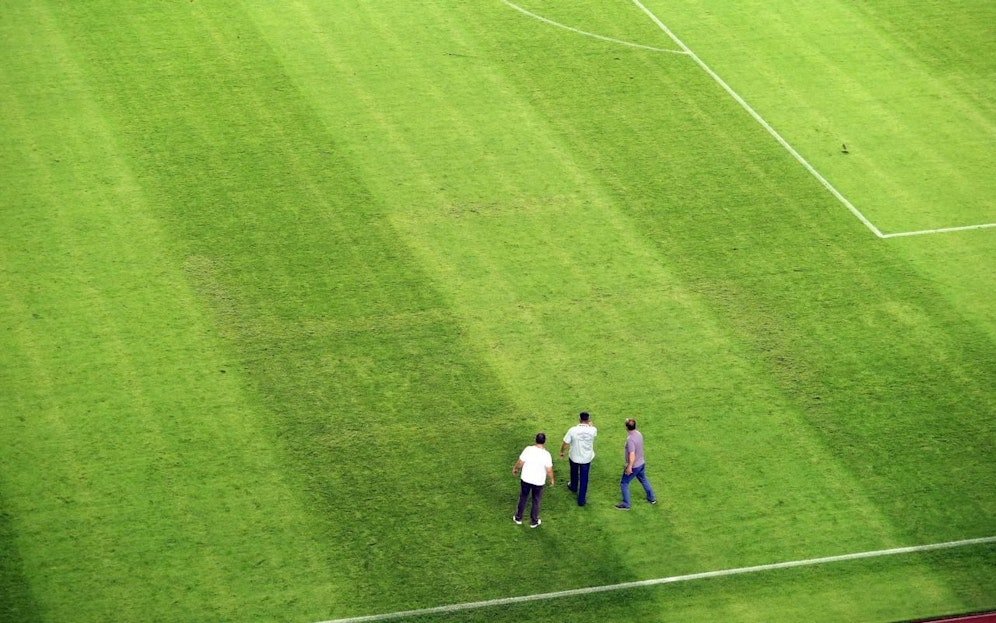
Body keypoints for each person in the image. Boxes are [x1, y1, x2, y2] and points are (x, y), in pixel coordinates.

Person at [513, 432, 554, 528]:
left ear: (535, 440)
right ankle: (534, 521)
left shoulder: (528, 449)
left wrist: (515, 468)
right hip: (538, 481)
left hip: (526, 478)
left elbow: (520, 462)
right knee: (536, 500)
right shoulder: (546, 454)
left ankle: (518, 518)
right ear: (544, 441)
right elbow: (549, 470)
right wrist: (552, 479)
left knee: (523, 497)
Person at [615, 418, 656, 509]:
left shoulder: (630, 439)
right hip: (641, 463)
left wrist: (629, 466)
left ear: (626, 427)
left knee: (624, 483)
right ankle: (651, 498)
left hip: (634, 466)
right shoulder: (638, 434)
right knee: (643, 479)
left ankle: (626, 504)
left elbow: (632, 454)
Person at [560, 411, 597, 506]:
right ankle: (581, 500)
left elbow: (565, 443)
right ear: (588, 419)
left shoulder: (572, 430)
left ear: (579, 419)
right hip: (586, 458)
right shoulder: (593, 430)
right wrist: (591, 426)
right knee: (584, 478)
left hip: (574, 456)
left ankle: (573, 486)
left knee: (574, 472)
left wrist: (562, 452)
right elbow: (593, 432)